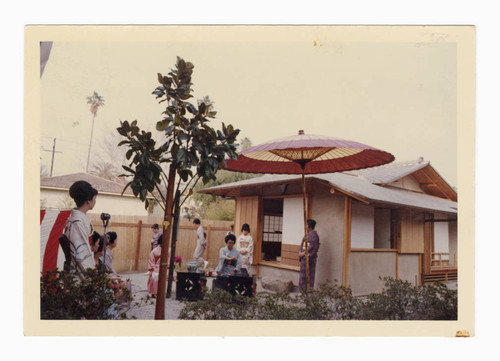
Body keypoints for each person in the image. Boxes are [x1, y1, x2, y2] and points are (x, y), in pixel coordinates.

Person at [63, 180, 98, 276]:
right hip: (79, 272)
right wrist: (93, 275)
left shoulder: (78, 219)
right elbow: (81, 252)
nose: (95, 201)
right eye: (94, 198)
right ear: (88, 200)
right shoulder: (77, 222)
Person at [298, 219, 320, 291]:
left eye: (306, 225)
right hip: (303, 257)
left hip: (309, 258)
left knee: (309, 275)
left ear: (310, 227)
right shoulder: (306, 235)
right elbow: (302, 244)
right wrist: (300, 251)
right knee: (302, 275)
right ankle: (301, 290)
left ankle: (308, 291)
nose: (305, 227)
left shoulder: (315, 236)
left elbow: (312, 247)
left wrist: (303, 253)